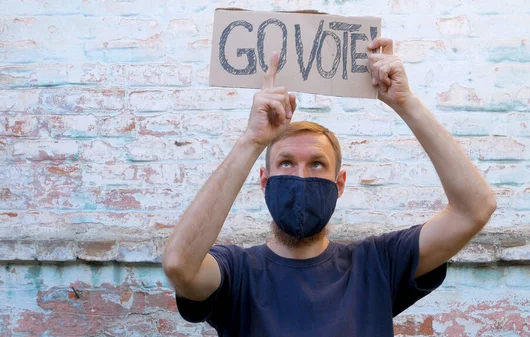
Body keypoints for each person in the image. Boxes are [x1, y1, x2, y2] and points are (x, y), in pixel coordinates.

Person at [162, 37, 497, 336]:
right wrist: (251, 141)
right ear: (265, 182)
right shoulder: (236, 272)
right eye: (286, 163)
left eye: (317, 164)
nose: (302, 176)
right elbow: (180, 265)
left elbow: (475, 209)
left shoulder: (377, 265)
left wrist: (405, 102)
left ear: (340, 184)